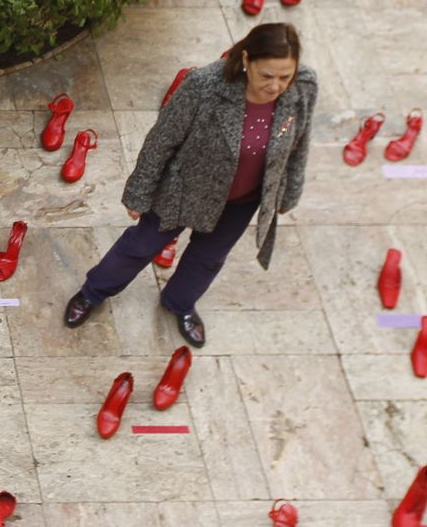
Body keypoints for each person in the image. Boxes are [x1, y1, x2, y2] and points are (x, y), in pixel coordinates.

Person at [63, 22, 317, 347]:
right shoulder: (204, 86)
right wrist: (139, 192)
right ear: (245, 59)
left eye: (285, 76)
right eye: (267, 76)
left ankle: (179, 303)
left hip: (241, 201)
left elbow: (301, 140)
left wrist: (290, 190)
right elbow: (162, 140)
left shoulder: (304, 86)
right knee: (139, 247)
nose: (276, 86)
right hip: (184, 190)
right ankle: (92, 293)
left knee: (208, 259)